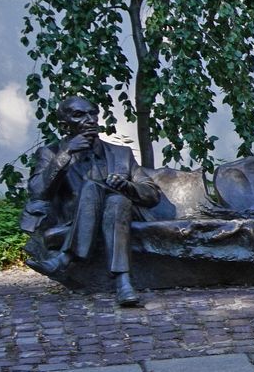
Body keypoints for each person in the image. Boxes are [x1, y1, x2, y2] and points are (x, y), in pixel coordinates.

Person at [20, 96, 161, 306]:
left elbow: (152, 194)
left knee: (116, 199)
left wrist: (128, 186)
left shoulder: (121, 153)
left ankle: (64, 259)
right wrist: (66, 153)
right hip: (78, 219)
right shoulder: (50, 153)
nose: (90, 120)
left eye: (93, 114)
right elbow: (39, 192)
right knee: (109, 198)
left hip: (127, 214)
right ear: (64, 125)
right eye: (79, 115)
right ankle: (123, 284)